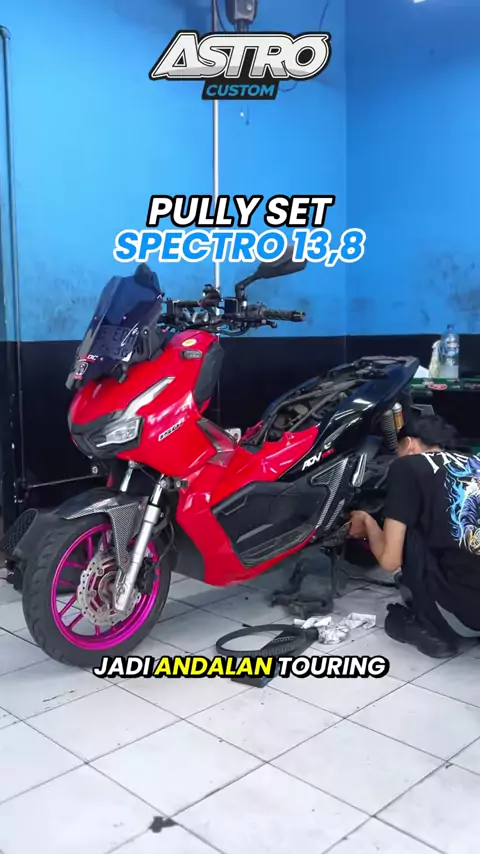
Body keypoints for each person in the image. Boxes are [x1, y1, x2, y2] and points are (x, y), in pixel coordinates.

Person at [349, 413, 480, 658]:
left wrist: (368, 523)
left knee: (410, 530)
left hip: (467, 616)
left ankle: (429, 626)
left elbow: (390, 561)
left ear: (408, 443)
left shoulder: (407, 466)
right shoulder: (475, 462)